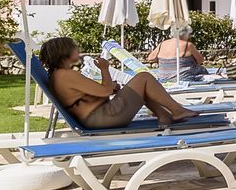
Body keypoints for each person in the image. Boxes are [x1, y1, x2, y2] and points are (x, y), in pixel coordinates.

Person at [39, 36, 201, 129]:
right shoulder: (65, 75)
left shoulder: (59, 75)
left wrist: (112, 87)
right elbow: (105, 91)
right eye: (74, 48)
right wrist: (104, 69)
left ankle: (164, 116)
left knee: (141, 86)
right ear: (65, 53)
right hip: (104, 118)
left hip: (99, 117)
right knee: (144, 77)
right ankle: (176, 110)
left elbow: (96, 92)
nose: (78, 50)